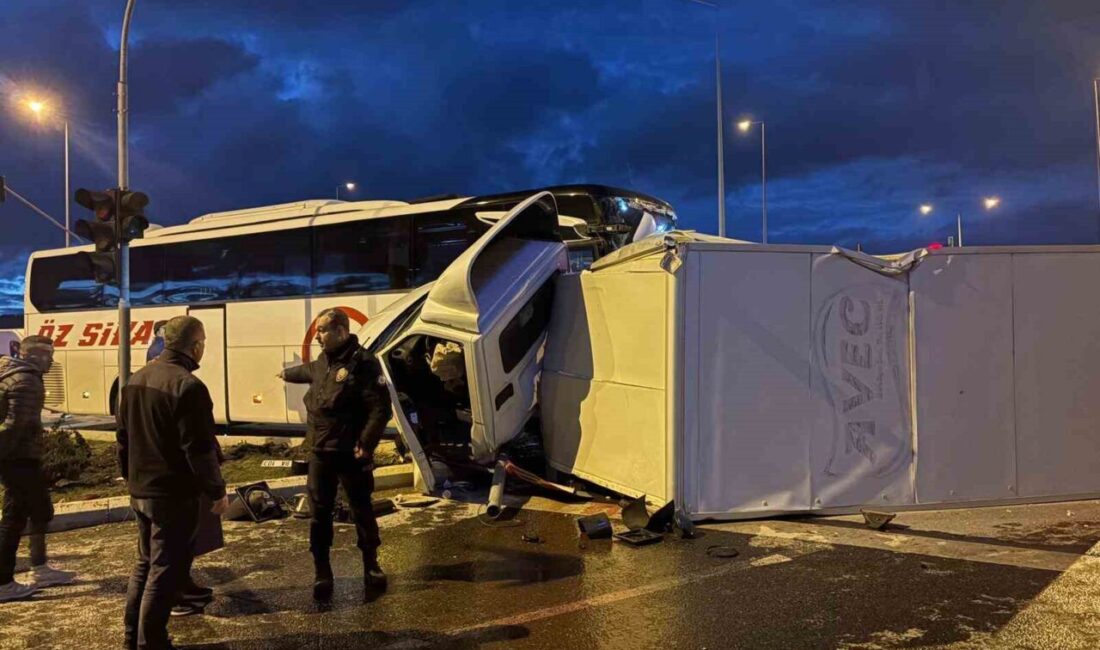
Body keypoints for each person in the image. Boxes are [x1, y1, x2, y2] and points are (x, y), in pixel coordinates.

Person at [117, 316, 228, 649]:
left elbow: (123, 438)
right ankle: (152, 641)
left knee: (144, 563)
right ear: (195, 346)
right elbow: (199, 449)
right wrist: (216, 491)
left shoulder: (136, 379)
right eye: (203, 342)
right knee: (164, 570)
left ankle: (130, 637)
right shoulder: (188, 386)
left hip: (141, 490)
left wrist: (130, 478)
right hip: (172, 493)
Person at [278, 307, 392, 601]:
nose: (317, 336)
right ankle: (322, 572)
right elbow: (306, 372)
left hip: (351, 453)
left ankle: (371, 566)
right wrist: (284, 373)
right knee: (320, 514)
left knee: (361, 509)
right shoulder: (321, 363)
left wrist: (366, 443)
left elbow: (380, 409)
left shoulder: (363, 363)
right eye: (317, 331)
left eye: (323, 330)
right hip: (320, 452)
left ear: (341, 331)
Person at [0, 335, 76, 603]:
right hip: (19, 460)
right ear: (31, 355)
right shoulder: (27, 381)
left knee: (32, 512)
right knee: (19, 517)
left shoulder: (12, 374)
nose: (51, 360)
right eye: (47, 354)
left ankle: (38, 568)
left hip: (19, 458)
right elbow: (13, 427)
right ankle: (5, 582)